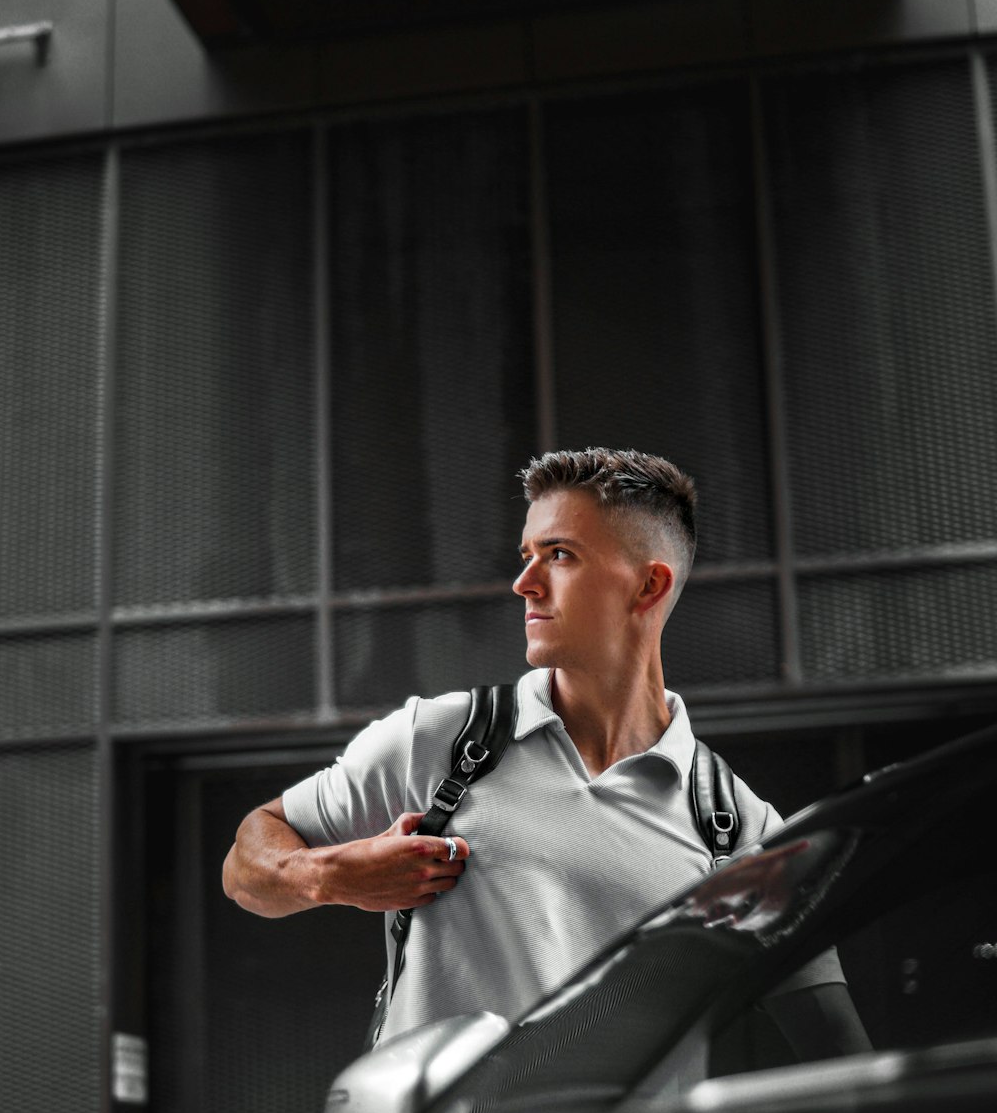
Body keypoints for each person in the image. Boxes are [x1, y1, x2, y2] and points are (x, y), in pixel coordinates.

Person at [223, 447, 869, 1058]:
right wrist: (329, 877)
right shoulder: (440, 741)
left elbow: (840, 1057)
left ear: (647, 588)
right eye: (527, 554)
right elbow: (248, 860)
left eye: (558, 555)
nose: (523, 583)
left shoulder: (737, 827)